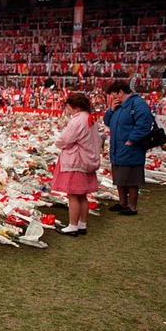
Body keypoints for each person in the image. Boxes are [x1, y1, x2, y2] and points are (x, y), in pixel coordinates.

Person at [52, 93, 102, 236]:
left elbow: (65, 139)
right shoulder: (90, 119)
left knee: (73, 195)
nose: (68, 111)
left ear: (76, 107)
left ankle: (72, 226)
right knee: (82, 196)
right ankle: (82, 224)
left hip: (76, 161)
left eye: (69, 108)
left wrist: (57, 142)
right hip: (87, 160)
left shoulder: (77, 121)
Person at [103, 80, 153, 216]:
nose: (113, 98)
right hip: (118, 147)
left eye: (114, 95)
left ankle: (132, 207)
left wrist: (131, 140)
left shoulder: (138, 104)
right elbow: (107, 122)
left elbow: (144, 124)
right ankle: (122, 203)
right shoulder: (119, 105)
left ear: (120, 92)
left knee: (131, 179)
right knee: (120, 178)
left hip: (131, 148)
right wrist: (111, 110)